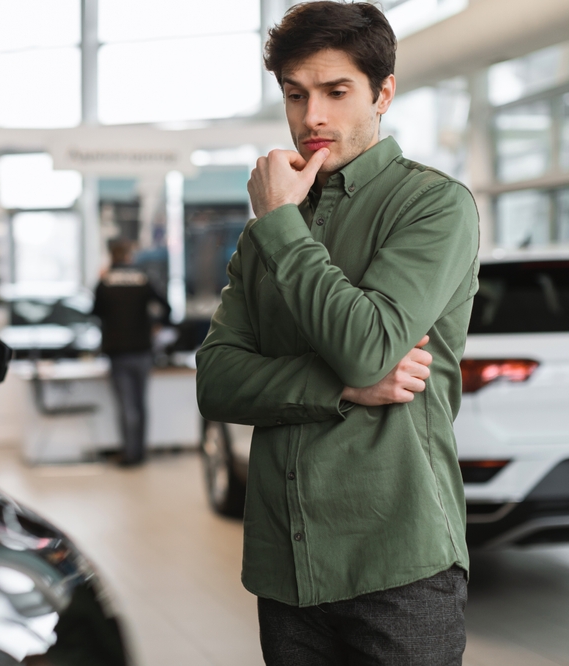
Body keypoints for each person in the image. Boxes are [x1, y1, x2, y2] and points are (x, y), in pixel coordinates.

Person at [195, 2, 480, 664]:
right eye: (296, 95)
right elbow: (216, 381)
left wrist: (279, 228)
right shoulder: (274, 222)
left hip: (399, 564)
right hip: (288, 568)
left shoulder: (434, 205)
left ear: (384, 93)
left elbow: (369, 346)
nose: (311, 117)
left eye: (335, 91)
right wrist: (346, 389)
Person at [93, 238, 171, 467]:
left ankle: (130, 454)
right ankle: (141, 451)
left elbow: (95, 312)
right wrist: (156, 323)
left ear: (111, 256)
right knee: (140, 403)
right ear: (129, 256)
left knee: (127, 405)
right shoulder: (142, 279)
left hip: (117, 352)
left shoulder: (105, 281)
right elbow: (167, 307)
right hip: (142, 349)